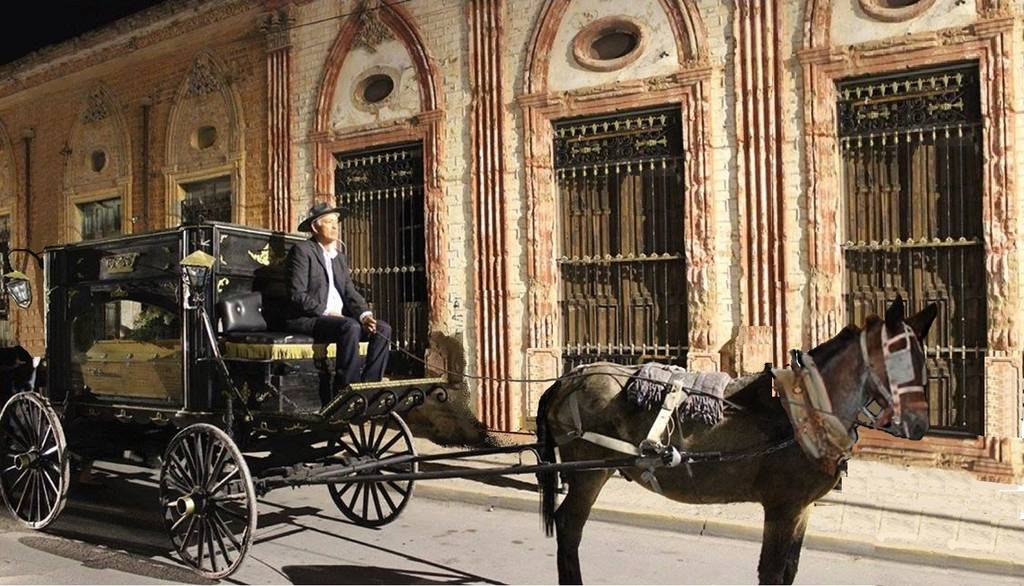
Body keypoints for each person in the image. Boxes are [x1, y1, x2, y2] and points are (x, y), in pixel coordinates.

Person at [283, 202, 391, 401]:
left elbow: (350, 292)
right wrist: (326, 311)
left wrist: (365, 315)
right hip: (309, 318)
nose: (335, 226)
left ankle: (369, 389)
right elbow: (297, 295)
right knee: (350, 326)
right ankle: (346, 392)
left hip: (338, 320)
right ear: (315, 227)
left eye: (336, 222)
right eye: (329, 222)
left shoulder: (339, 258)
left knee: (382, 329)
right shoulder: (302, 251)